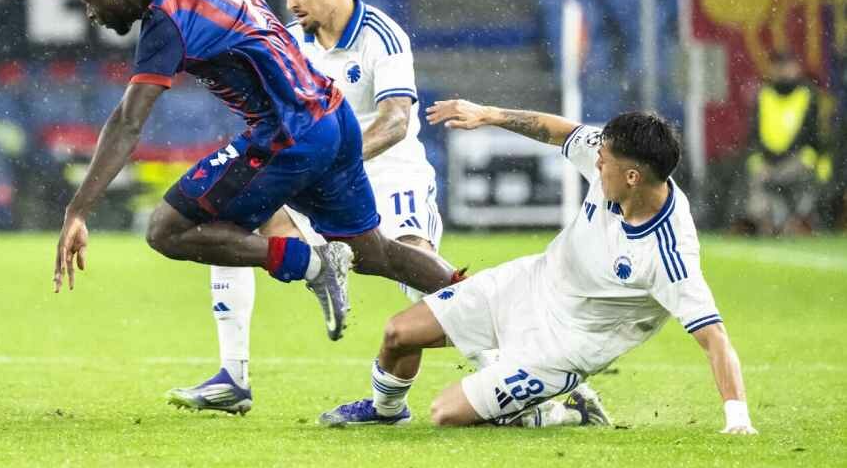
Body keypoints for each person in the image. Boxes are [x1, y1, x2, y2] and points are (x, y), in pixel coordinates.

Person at [18, 0, 462, 344]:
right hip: (333, 117)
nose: (90, 12)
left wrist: (77, 211)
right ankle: (482, 301)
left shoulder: (166, 24)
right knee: (374, 253)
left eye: (91, 1)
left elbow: (128, 122)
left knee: (168, 230)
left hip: (289, 134)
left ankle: (311, 264)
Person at [318, 99, 757, 435]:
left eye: (604, 161)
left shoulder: (668, 253)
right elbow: (558, 130)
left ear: (633, 177)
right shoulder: (616, 156)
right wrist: (490, 114)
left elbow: (714, 338)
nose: (596, 161)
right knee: (398, 333)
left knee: (445, 413)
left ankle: (564, 411)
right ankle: (387, 412)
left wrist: (737, 419)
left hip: (561, 347)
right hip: (528, 283)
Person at [165, 0, 450, 415]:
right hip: (318, 175)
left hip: (389, 172)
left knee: (413, 268)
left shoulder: (381, 34)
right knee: (223, 227)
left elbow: (395, 122)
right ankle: (233, 377)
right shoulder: (290, 41)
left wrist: (333, 159)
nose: (291, 0)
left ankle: (511, 360)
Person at [741, 50, 829, 236]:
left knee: (799, 175)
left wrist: (784, 159)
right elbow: (754, 134)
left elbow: (810, 134)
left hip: (797, 158)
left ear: (796, 67)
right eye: (777, 65)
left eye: (785, 65)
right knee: (758, 178)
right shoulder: (763, 94)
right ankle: (764, 223)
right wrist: (762, 160)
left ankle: (797, 221)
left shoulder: (807, 93)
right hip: (768, 160)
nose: (782, 70)